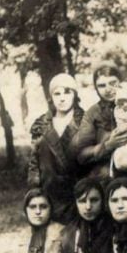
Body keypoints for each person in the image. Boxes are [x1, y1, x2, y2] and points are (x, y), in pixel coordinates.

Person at [71, 65, 127, 201]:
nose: (108, 89)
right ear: (96, 88)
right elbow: (81, 153)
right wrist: (107, 146)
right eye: (102, 85)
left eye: (113, 83)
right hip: (107, 173)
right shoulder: (93, 113)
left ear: (121, 82)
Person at [27, 73, 86, 223]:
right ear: (51, 97)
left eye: (67, 92)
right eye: (57, 93)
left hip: (79, 194)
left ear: (75, 95)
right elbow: (34, 163)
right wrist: (35, 190)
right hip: (50, 195)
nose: (62, 98)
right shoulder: (41, 125)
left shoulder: (85, 121)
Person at [57, 177, 107, 253]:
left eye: (94, 200)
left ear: (103, 201)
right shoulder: (68, 233)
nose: (88, 207)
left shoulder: (112, 230)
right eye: (82, 201)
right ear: (75, 203)